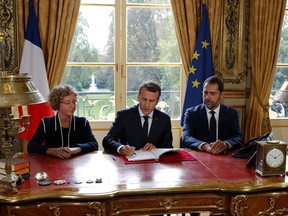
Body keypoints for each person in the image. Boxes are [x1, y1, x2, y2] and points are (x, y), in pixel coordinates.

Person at [102, 81, 173, 156]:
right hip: (129, 163)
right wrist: (121, 148)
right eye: (144, 99)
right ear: (138, 97)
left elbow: (168, 147)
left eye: (151, 101)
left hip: (154, 164)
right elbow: (108, 140)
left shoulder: (164, 119)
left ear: (157, 101)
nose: (147, 105)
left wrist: (156, 149)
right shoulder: (123, 116)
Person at [27, 84, 98, 158]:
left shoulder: (83, 122)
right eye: (67, 103)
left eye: (74, 102)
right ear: (57, 104)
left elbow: (94, 144)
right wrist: (51, 151)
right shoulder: (46, 123)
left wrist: (75, 149)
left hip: (77, 165)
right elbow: (31, 146)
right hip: (52, 165)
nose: (73, 106)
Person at [182, 76, 242, 154]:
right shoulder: (191, 113)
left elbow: (237, 138)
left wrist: (225, 144)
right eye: (205, 93)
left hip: (223, 159)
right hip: (200, 158)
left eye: (213, 94)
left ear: (221, 95)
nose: (207, 97)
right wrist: (204, 145)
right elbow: (186, 137)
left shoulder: (231, 113)